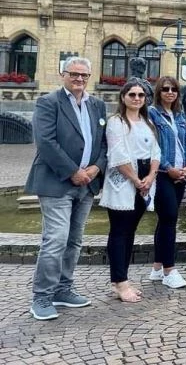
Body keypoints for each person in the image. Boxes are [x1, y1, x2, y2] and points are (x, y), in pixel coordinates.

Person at [26, 57, 108, 320]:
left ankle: (63, 289)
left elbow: (105, 144)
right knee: (56, 240)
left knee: (74, 241)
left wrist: (96, 168)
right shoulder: (49, 102)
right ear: (63, 74)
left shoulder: (97, 105)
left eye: (84, 75)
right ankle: (42, 296)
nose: (79, 79)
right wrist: (73, 172)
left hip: (87, 184)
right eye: (74, 74)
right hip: (56, 182)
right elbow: (46, 142)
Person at [100, 80, 161, 303]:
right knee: (119, 231)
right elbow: (117, 155)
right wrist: (136, 180)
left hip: (145, 181)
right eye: (132, 94)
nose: (137, 98)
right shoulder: (117, 122)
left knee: (131, 231)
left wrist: (151, 176)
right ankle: (119, 282)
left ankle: (121, 279)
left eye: (141, 95)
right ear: (123, 97)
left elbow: (156, 151)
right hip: (125, 182)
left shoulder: (147, 122)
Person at [147, 77, 186, 289]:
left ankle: (157, 268)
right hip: (163, 173)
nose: (170, 92)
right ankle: (169, 270)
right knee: (169, 218)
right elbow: (152, 145)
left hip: (180, 173)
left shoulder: (179, 114)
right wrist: (169, 168)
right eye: (165, 89)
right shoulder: (151, 113)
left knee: (166, 220)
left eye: (173, 89)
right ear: (159, 92)